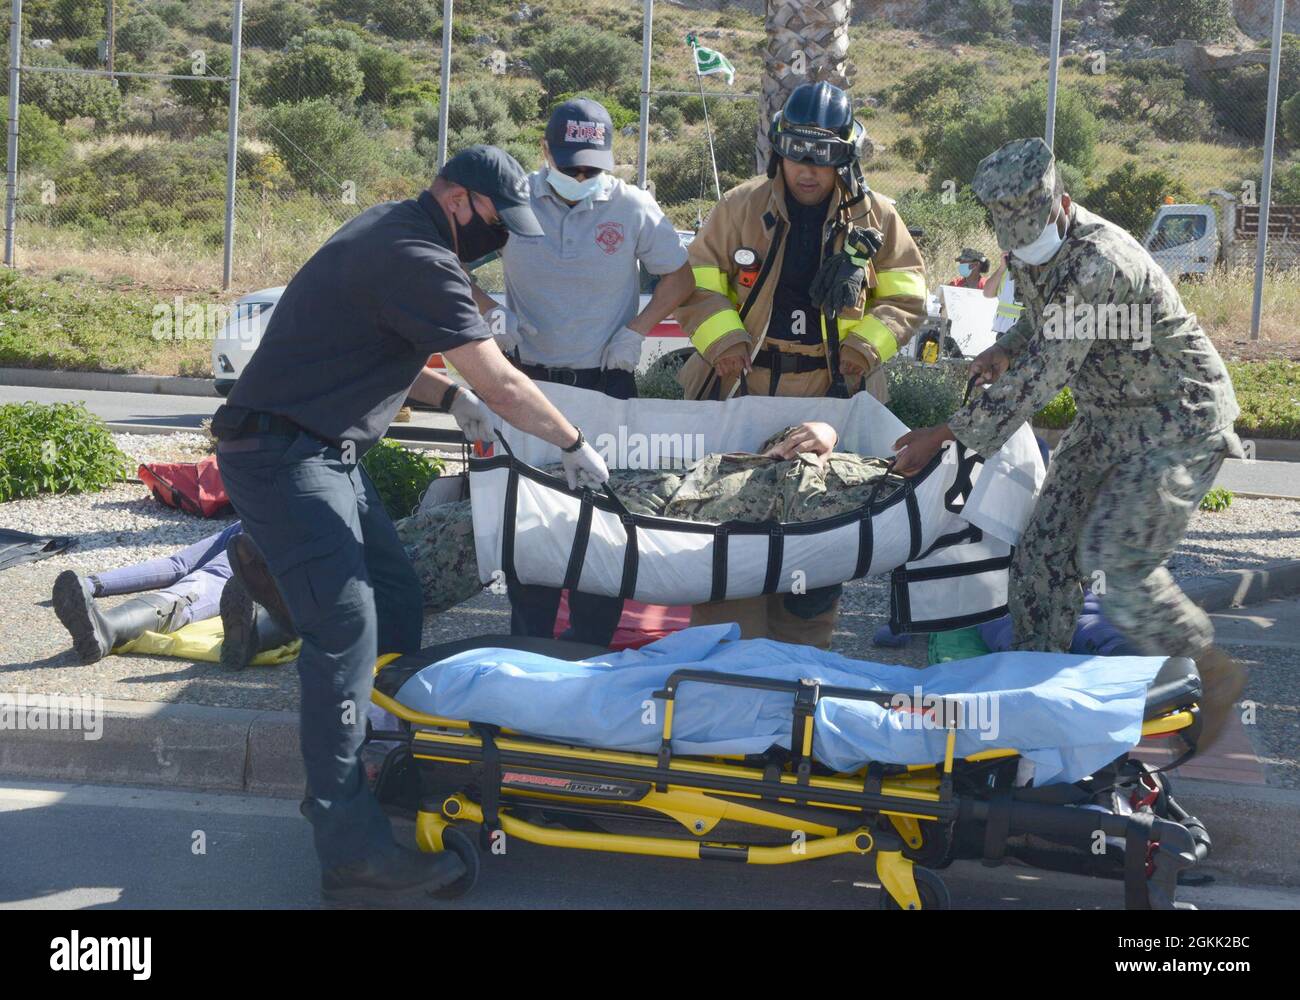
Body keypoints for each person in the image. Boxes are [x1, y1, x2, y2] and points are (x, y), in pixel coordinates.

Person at [210, 145, 609, 907]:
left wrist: (446, 400)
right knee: (347, 629)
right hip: (282, 456)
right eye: (496, 220)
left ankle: (380, 755)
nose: (498, 240)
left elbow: (365, 338)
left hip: (320, 451)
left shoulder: (390, 229)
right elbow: (500, 378)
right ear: (457, 198)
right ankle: (349, 851)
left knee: (395, 591)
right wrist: (572, 444)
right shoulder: (421, 256)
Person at [892, 137, 1246, 747]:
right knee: (1043, 556)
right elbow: (1038, 317)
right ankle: (1036, 703)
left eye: (1033, 235)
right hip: (1108, 417)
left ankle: (1207, 676)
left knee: (1117, 561)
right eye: (1016, 242)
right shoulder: (1033, 247)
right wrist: (1004, 346)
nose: (1025, 250)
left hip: (1177, 418)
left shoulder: (1098, 259)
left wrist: (944, 435)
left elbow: (1046, 373)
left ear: (1064, 203)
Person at [672, 81, 927, 648]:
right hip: (740, 388)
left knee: (817, 542)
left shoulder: (880, 219)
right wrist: (725, 343)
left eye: (825, 156)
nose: (809, 170)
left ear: (848, 155)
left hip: (833, 394)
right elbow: (698, 284)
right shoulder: (738, 208)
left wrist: (863, 351)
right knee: (729, 532)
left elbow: (906, 298)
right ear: (778, 151)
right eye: (798, 154)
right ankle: (724, 675)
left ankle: (797, 683)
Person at [468, 99, 695, 648]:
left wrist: (637, 330)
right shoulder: (513, 200)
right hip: (528, 383)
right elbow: (444, 262)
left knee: (606, 524)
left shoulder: (634, 208)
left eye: (592, 169)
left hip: (606, 383)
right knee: (528, 520)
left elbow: (680, 279)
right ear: (545, 152)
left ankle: (591, 653)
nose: (581, 178)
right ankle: (529, 646)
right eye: (570, 167)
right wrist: (491, 312)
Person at [48, 523, 292, 665]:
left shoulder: (253, 512)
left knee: (185, 594)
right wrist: (91, 584)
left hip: (235, 557)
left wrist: (94, 583)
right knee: (293, 601)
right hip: (286, 562)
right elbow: (179, 564)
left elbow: (177, 564)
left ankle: (110, 626)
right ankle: (249, 637)